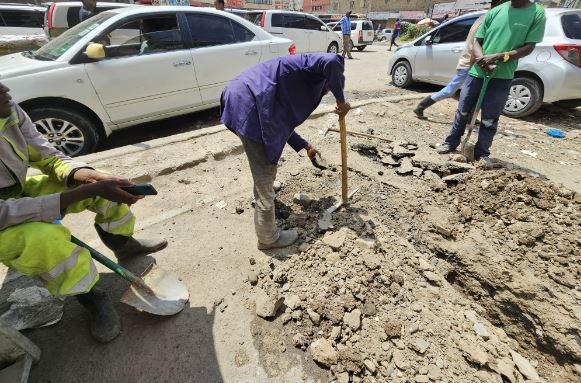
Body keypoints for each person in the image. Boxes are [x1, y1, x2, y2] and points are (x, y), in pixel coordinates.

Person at [0, 83, 167, 343]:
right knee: (44, 241)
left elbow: (49, 157)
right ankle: (92, 298)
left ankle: (123, 244)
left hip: (16, 194)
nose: (4, 89)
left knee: (101, 184)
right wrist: (81, 194)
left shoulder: (8, 112)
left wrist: (89, 177)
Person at [220, 54, 350, 250]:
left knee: (261, 165)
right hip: (249, 103)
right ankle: (268, 238)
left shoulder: (294, 82)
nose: (325, 93)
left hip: (239, 96)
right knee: (265, 172)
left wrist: (306, 146)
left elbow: (280, 122)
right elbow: (333, 62)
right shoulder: (313, 66)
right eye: (329, 88)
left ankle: (262, 198)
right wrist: (341, 101)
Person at [436, 0, 545, 165]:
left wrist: (500, 57)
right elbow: (477, 41)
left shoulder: (537, 13)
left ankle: (481, 154)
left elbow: (529, 46)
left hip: (502, 76)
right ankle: (451, 143)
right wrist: (481, 59)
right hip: (476, 73)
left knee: (490, 118)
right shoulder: (496, 11)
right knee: (463, 111)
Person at [413, 16, 484, 119]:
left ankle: (469, 116)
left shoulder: (481, 18)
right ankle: (421, 106)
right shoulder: (486, 20)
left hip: (469, 62)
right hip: (470, 63)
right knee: (451, 90)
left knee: (469, 92)